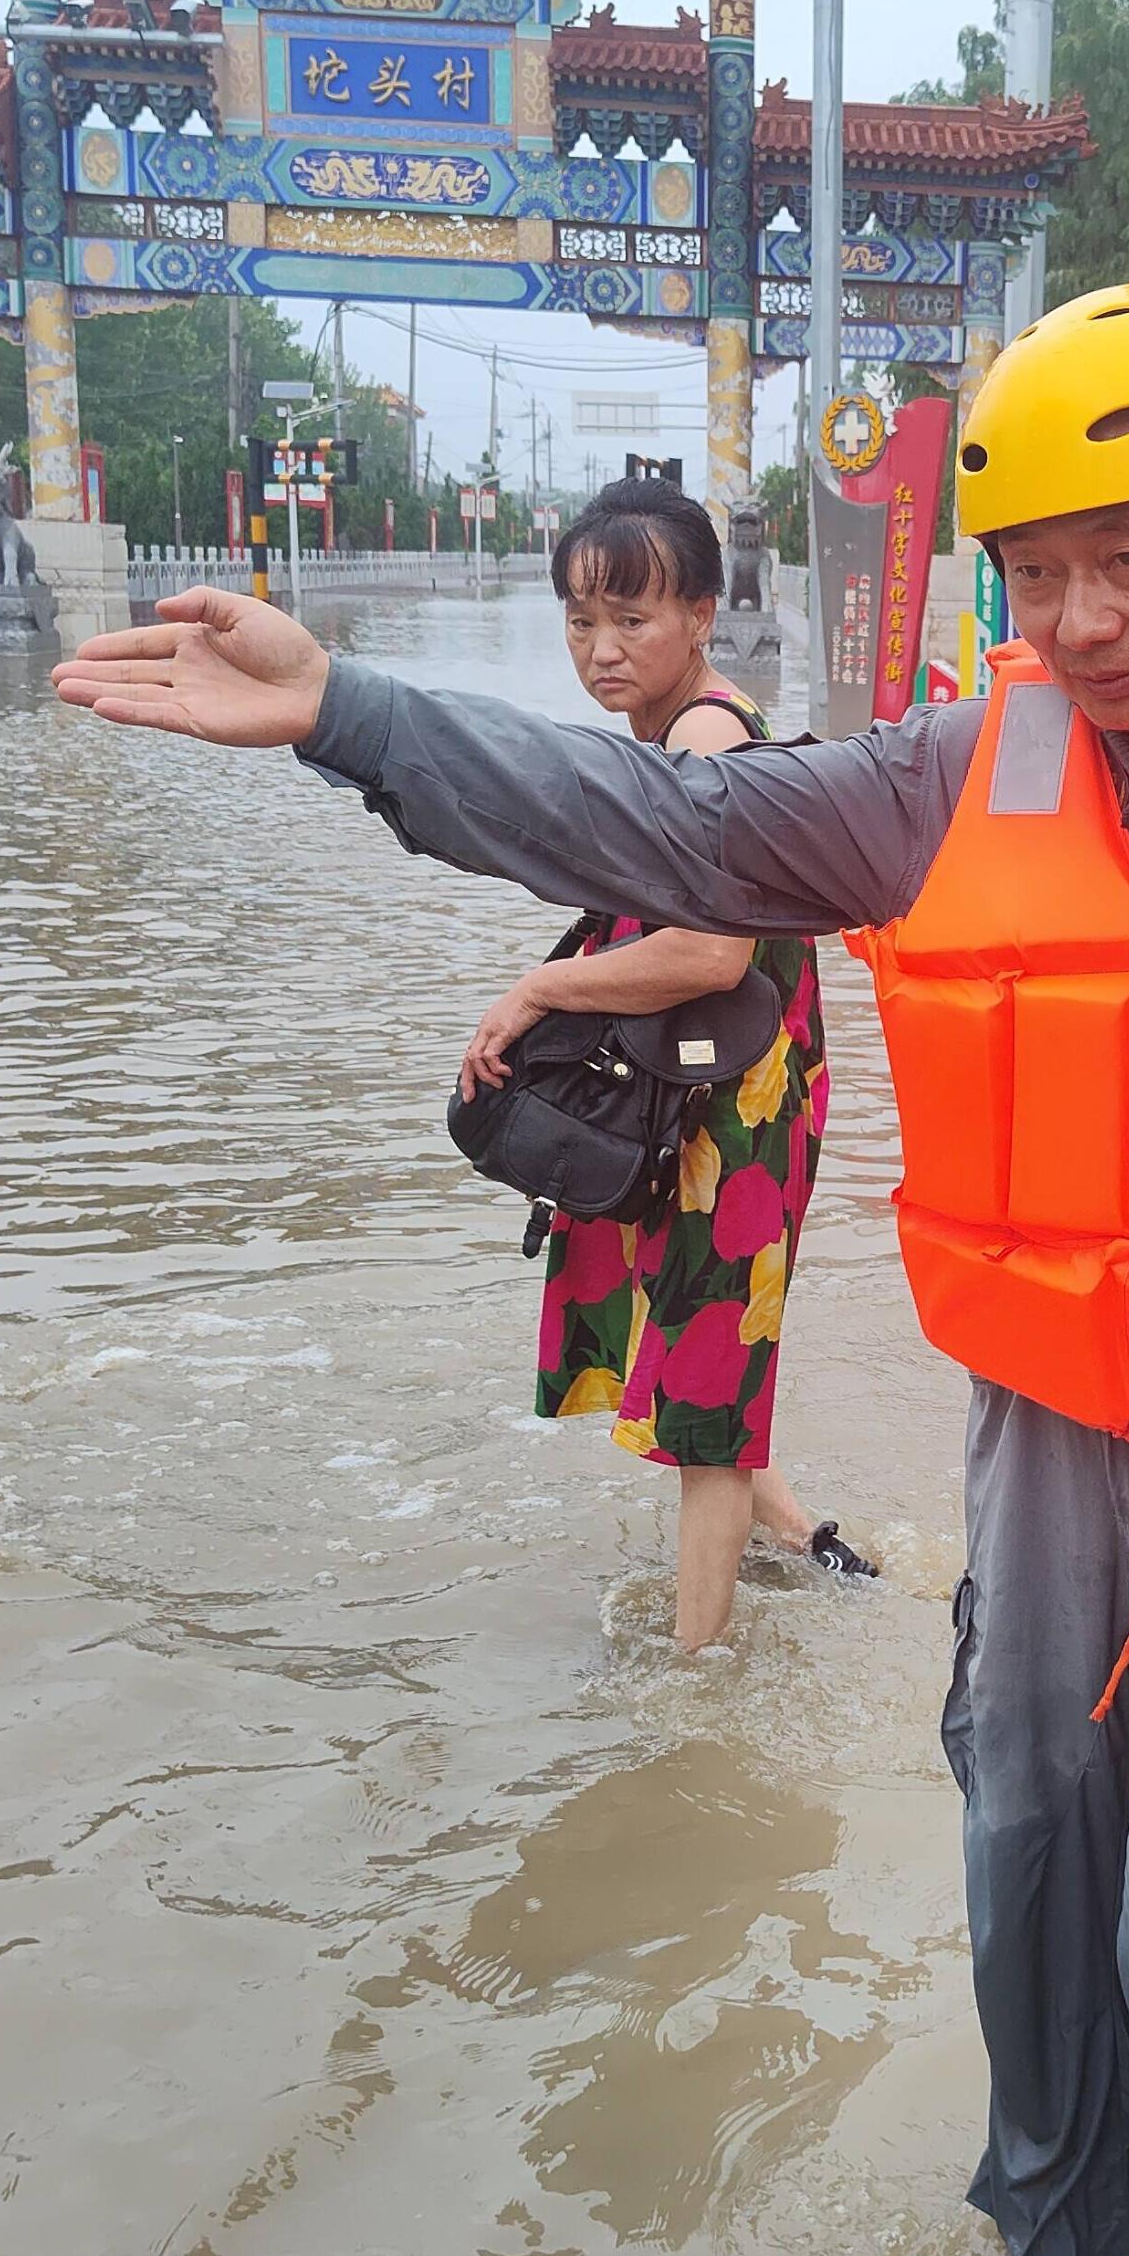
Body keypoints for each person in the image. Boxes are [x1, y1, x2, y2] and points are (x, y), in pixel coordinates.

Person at [54, 283, 1129, 2256]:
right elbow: (674, 825)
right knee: (1025, 1845)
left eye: (1126, 558)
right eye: (1034, 575)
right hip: (1062, 1410)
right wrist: (353, 713)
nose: (1080, 620)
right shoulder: (971, 766)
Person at [463, 475, 873, 1650]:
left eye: (631, 618)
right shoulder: (682, 728)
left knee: (704, 1393)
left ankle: (697, 1676)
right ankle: (804, 1540)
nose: (601, 649)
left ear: (702, 611)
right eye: (581, 620)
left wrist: (538, 987)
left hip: (732, 1110)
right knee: (702, 1336)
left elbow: (706, 948)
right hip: (721, 1086)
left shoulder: (702, 738)